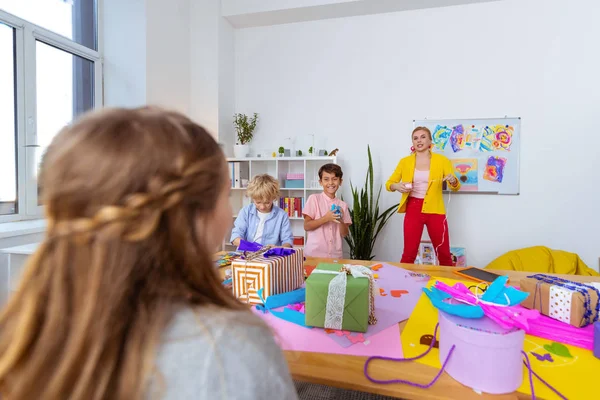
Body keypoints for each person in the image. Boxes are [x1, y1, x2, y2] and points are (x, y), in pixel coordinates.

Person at [0, 107, 298, 400]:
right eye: (224, 194)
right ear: (196, 215)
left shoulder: (26, 336)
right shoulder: (235, 345)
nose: (230, 211)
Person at [386, 126, 460, 266]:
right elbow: (389, 184)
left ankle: (448, 285)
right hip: (413, 208)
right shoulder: (405, 162)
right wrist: (396, 186)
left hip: (436, 209)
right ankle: (402, 283)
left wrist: (452, 180)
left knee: (443, 252)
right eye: (415, 138)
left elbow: (455, 186)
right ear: (412, 143)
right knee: (409, 253)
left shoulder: (442, 160)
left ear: (430, 140)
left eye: (423, 137)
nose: (419, 140)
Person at [303, 163, 351, 259]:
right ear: (320, 182)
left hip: (335, 257)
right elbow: (307, 226)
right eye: (326, 179)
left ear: (340, 181)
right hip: (313, 256)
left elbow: (344, 233)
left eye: (334, 179)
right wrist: (326, 218)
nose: (331, 183)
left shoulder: (343, 205)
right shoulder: (314, 199)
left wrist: (341, 220)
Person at [230, 174, 293, 248]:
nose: (262, 207)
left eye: (267, 203)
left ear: (274, 198)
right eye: (258, 202)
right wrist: (251, 247)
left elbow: (288, 241)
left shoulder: (282, 215)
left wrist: (279, 248)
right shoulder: (246, 211)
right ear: (253, 198)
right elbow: (235, 237)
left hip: (270, 257)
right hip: (247, 255)